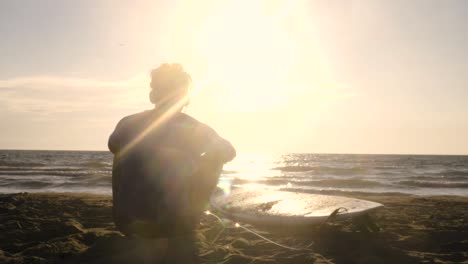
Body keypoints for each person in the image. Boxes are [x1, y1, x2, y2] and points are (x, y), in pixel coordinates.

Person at [108, 63, 236, 262]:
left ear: (153, 96)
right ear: (185, 98)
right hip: (176, 225)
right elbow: (229, 151)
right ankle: (189, 214)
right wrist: (192, 157)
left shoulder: (127, 122)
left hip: (126, 223)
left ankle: (133, 208)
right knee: (215, 156)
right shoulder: (194, 127)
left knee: (122, 152)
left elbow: (113, 144)